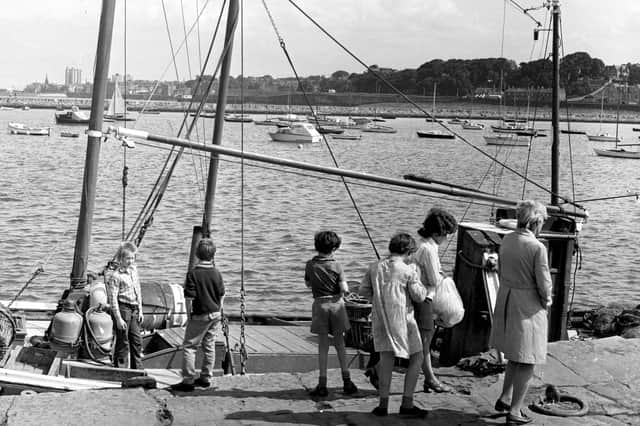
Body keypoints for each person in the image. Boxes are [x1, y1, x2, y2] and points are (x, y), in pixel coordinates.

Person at [490, 200, 552, 426]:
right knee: (528, 358)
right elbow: (544, 282)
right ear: (535, 222)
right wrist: (547, 301)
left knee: (515, 354)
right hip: (526, 304)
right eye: (542, 221)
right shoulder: (537, 247)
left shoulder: (507, 239)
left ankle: (505, 398)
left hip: (506, 297)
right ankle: (515, 411)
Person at [359, 233, 428, 418]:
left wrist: (379, 301)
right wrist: (418, 276)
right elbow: (419, 296)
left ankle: (383, 405)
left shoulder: (374, 267)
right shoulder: (408, 270)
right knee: (417, 357)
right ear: (408, 251)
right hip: (403, 321)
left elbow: (363, 291)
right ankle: (407, 403)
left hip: (380, 320)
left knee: (386, 359)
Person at [305, 230, 358, 397]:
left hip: (320, 305)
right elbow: (344, 289)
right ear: (334, 248)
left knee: (322, 346)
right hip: (337, 305)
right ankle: (347, 380)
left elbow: (307, 283)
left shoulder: (310, 264)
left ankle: (322, 383)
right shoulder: (337, 265)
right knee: (340, 344)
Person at [411, 207, 458, 393]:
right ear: (438, 232)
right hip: (424, 298)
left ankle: (429, 378)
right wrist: (444, 278)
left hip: (421, 296)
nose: (447, 238)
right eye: (446, 234)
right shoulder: (428, 249)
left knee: (425, 340)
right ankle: (430, 378)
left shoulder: (422, 245)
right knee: (424, 340)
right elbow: (432, 279)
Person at [171, 238, 225, 392]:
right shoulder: (217, 273)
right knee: (209, 346)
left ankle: (188, 380)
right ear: (213, 255)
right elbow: (222, 295)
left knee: (189, 346)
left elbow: (189, 298)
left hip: (199, 315)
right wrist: (219, 311)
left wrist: (189, 315)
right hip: (215, 314)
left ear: (197, 254)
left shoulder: (193, 274)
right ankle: (206, 377)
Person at [106, 241, 143, 369]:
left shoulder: (134, 270)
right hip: (123, 308)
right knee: (123, 341)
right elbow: (113, 299)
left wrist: (140, 310)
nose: (130, 261)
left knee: (136, 340)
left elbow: (138, 290)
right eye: (128, 258)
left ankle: (137, 368)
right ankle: (120, 367)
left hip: (134, 309)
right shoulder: (116, 276)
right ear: (121, 259)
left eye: (132, 258)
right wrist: (118, 318)